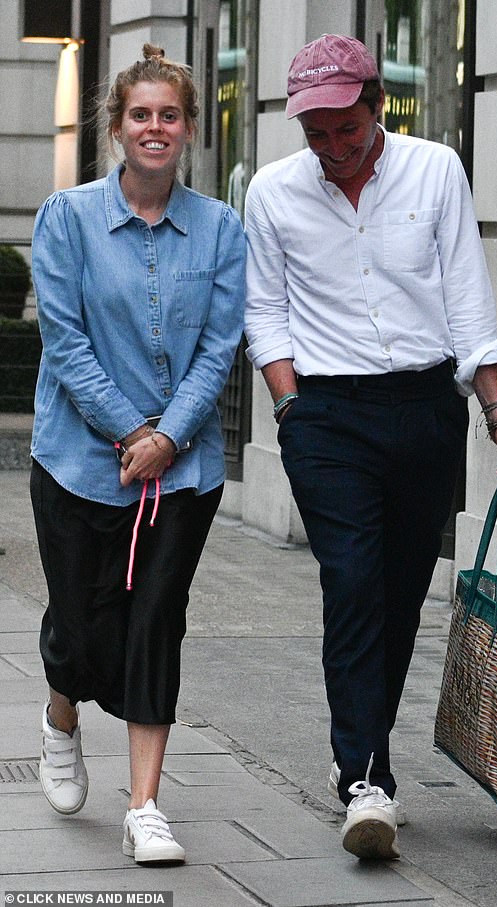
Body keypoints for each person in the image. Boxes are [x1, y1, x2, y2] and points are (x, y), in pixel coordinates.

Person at [244, 34, 497, 861]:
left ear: (378, 105)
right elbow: (265, 312)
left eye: (346, 127)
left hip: (424, 409)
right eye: (317, 134)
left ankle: (368, 748)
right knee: (352, 580)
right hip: (327, 418)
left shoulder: (436, 169)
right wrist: (291, 409)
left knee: (402, 592)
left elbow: (468, 296)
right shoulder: (273, 194)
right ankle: (364, 778)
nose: (333, 149)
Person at [30, 44, 246, 864]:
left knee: (157, 620)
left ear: (189, 128)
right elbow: (67, 342)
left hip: (183, 469)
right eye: (140, 115)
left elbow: (220, 344)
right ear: (117, 127)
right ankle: (60, 716)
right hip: (78, 461)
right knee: (84, 628)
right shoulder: (69, 218)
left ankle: (146, 805)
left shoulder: (222, 228)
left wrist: (167, 439)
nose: (156, 128)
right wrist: (131, 432)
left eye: (170, 115)